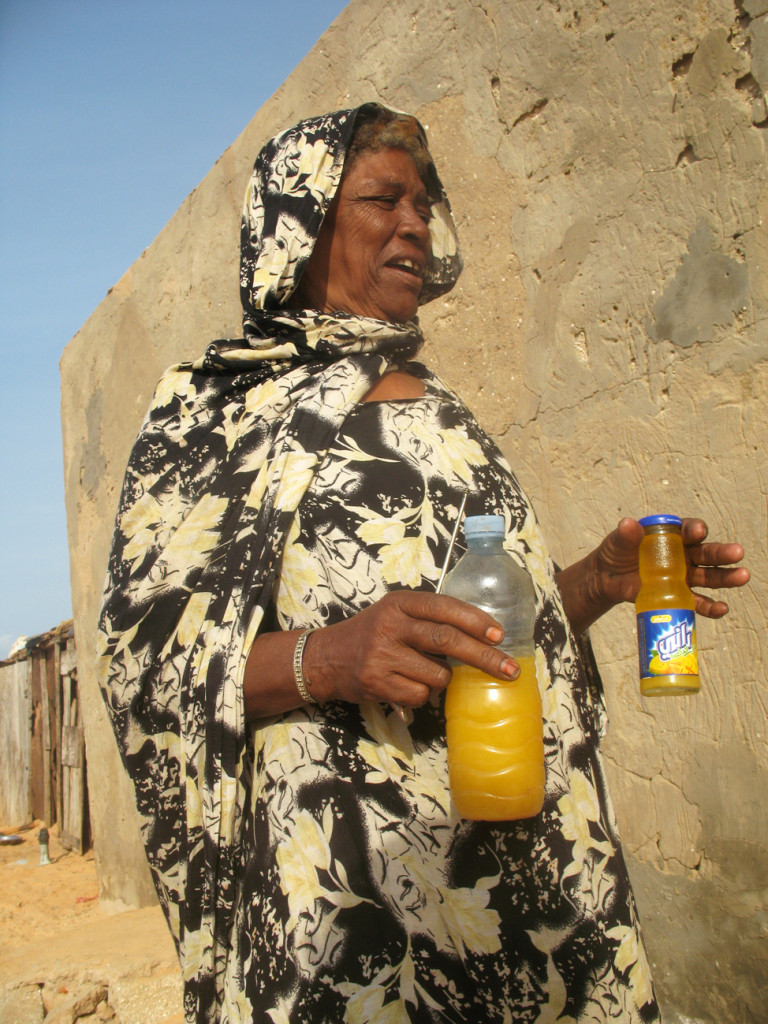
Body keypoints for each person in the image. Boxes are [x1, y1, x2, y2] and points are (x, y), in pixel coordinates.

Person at [97, 103, 749, 1024]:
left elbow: (488, 635)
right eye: (380, 198)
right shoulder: (210, 422)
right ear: (299, 229)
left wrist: (596, 584)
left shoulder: (443, 408)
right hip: (355, 906)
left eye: (423, 202)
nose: (415, 221)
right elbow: (140, 666)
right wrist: (325, 658)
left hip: (528, 877)